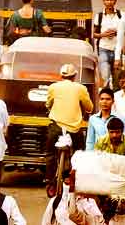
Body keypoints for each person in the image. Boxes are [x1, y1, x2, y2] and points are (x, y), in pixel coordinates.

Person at [45, 63, 94, 191]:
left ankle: (50, 182)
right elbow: (89, 107)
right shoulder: (81, 88)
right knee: (79, 153)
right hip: (74, 129)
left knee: (50, 153)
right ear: (74, 76)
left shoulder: (53, 87)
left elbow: (48, 103)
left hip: (56, 126)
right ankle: (74, 178)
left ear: (61, 76)